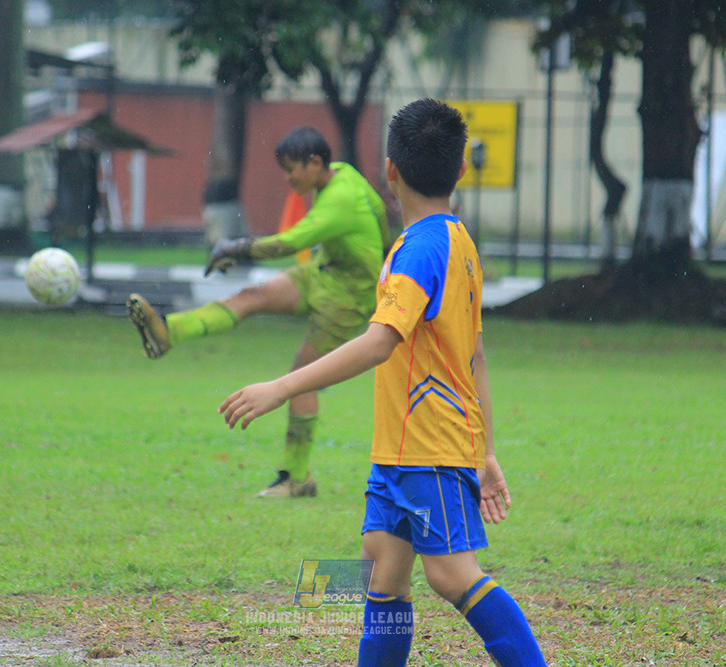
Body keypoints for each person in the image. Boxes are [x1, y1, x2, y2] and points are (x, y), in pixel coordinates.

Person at [219, 98, 547, 666]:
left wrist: (283, 387)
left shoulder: (422, 250)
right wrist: (486, 451)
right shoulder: (457, 240)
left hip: (430, 450)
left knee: (452, 575)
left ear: (389, 170)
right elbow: (476, 359)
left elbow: (379, 342)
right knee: (382, 576)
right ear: (461, 171)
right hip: (400, 452)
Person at [127, 126, 392, 498]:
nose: (287, 179)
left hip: (348, 296)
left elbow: (290, 242)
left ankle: (297, 479)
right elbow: (381, 213)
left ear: (315, 163)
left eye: (291, 170)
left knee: (304, 377)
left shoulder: (340, 199)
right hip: (323, 272)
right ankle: (168, 332)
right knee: (251, 296)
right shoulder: (344, 172)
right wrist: (383, 254)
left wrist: (235, 247)